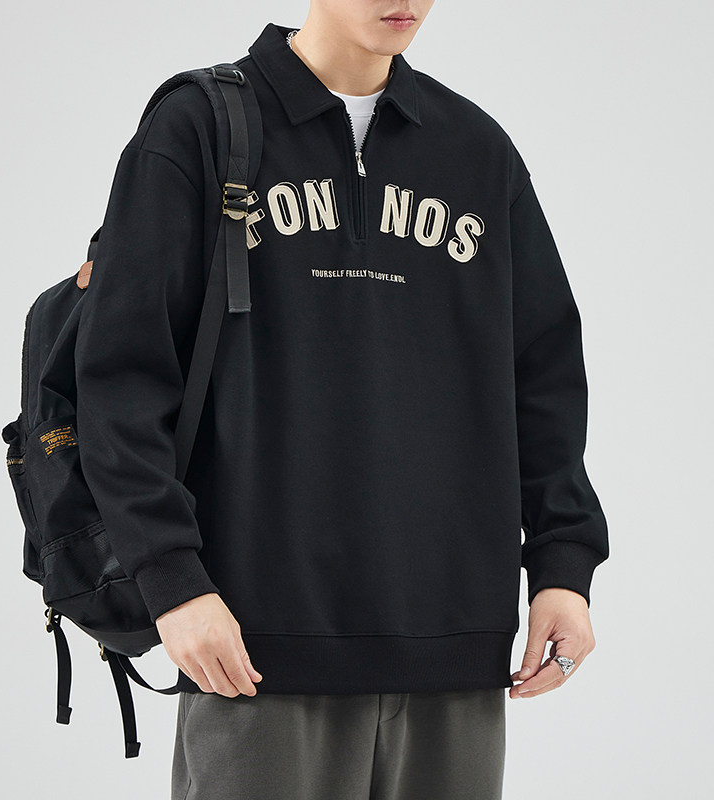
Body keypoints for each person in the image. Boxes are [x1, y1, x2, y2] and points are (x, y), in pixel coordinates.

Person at [74, 2, 610, 798]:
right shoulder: (198, 128)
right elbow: (122, 376)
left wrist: (563, 563)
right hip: (253, 648)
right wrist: (171, 579)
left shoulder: (475, 150)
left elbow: (542, 374)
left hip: (452, 649)